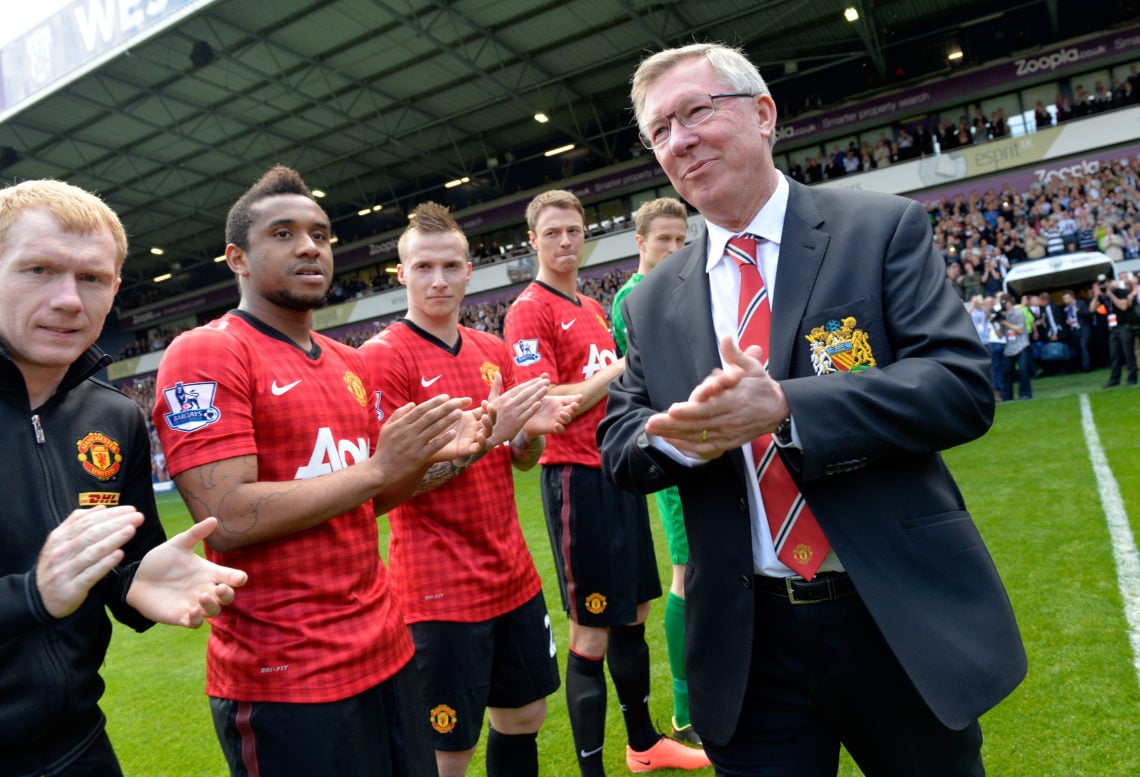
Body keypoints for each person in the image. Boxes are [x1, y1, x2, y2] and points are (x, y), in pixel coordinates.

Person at [598, 42, 1025, 776]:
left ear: (763, 113)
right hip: (747, 637)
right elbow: (620, 442)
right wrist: (683, 439)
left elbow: (959, 385)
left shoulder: (877, 229)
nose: (680, 139)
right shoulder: (653, 301)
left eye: (695, 111)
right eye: (660, 130)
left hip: (889, 612)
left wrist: (787, 407)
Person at [154, 166, 480, 777]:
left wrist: (430, 456)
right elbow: (225, 517)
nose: (309, 246)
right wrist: (382, 466)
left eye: (321, 234)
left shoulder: (346, 361)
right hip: (287, 676)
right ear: (237, 258)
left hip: (388, 648)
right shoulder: (208, 351)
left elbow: (369, 499)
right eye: (283, 233)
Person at [0, 179, 247, 775]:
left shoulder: (113, 416)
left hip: (79, 742)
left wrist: (136, 580)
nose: (68, 300)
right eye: (38, 270)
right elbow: (48, 589)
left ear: (114, 288)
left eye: (91, 278)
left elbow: (122, 567)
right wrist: (31, 596)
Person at [358, 202, 579, 777]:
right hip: (437, 588)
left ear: (469, 271)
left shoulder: (491, 352)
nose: (439, 280)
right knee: (449, 748)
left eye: (451, 266)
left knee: (525, 713)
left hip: (512, 572)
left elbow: (522, 460)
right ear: (401, 274)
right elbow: (388, 488)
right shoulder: (383, 358)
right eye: (424, 267)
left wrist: (527, 438)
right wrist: (485, 439)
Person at [502, 189, 710, 775]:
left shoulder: (591, 309)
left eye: (574, 230)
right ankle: (592, 768)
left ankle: (643, 744)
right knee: (591, 631)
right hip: (573, 480)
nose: (566, 241)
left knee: (633, 615)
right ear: (533, 240)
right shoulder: (529, 309)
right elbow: (540, 399)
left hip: (616, 473)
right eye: (554, 232)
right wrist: (617, 372)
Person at [609, 197, 702, 746]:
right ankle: (686, 710)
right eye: (663, 240)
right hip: (669, 448)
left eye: (680, 239)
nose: (673, 249)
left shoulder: (682, 285)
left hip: (702, 440)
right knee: (685, 572)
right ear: (640, 244)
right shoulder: (633, 298)